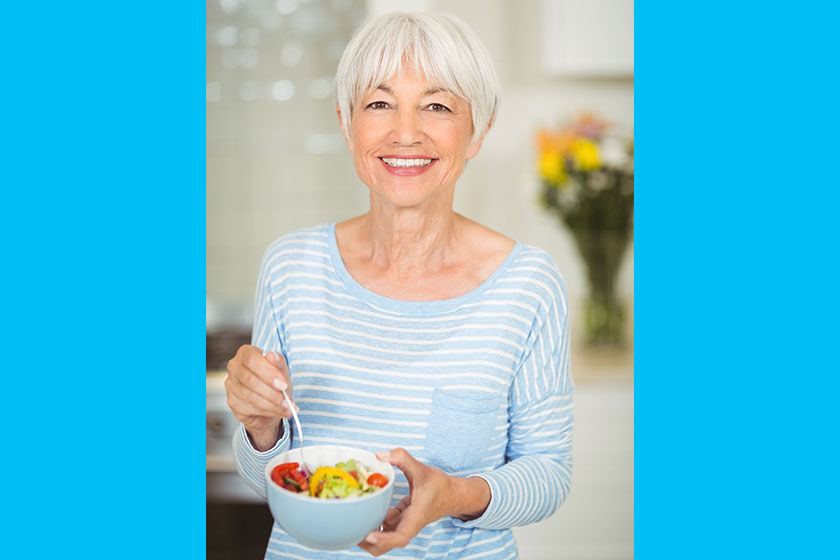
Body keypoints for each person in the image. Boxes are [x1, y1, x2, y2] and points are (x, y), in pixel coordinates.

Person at [225, 11, 574, 560]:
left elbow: (549, 474)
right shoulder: (291, 267)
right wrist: (261, 430)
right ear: (346, 123)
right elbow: (263, 477)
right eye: (380, 103)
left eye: (436, 106)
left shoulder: (527, 284)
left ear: (477, 129)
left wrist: (453, 494)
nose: (405, 132)